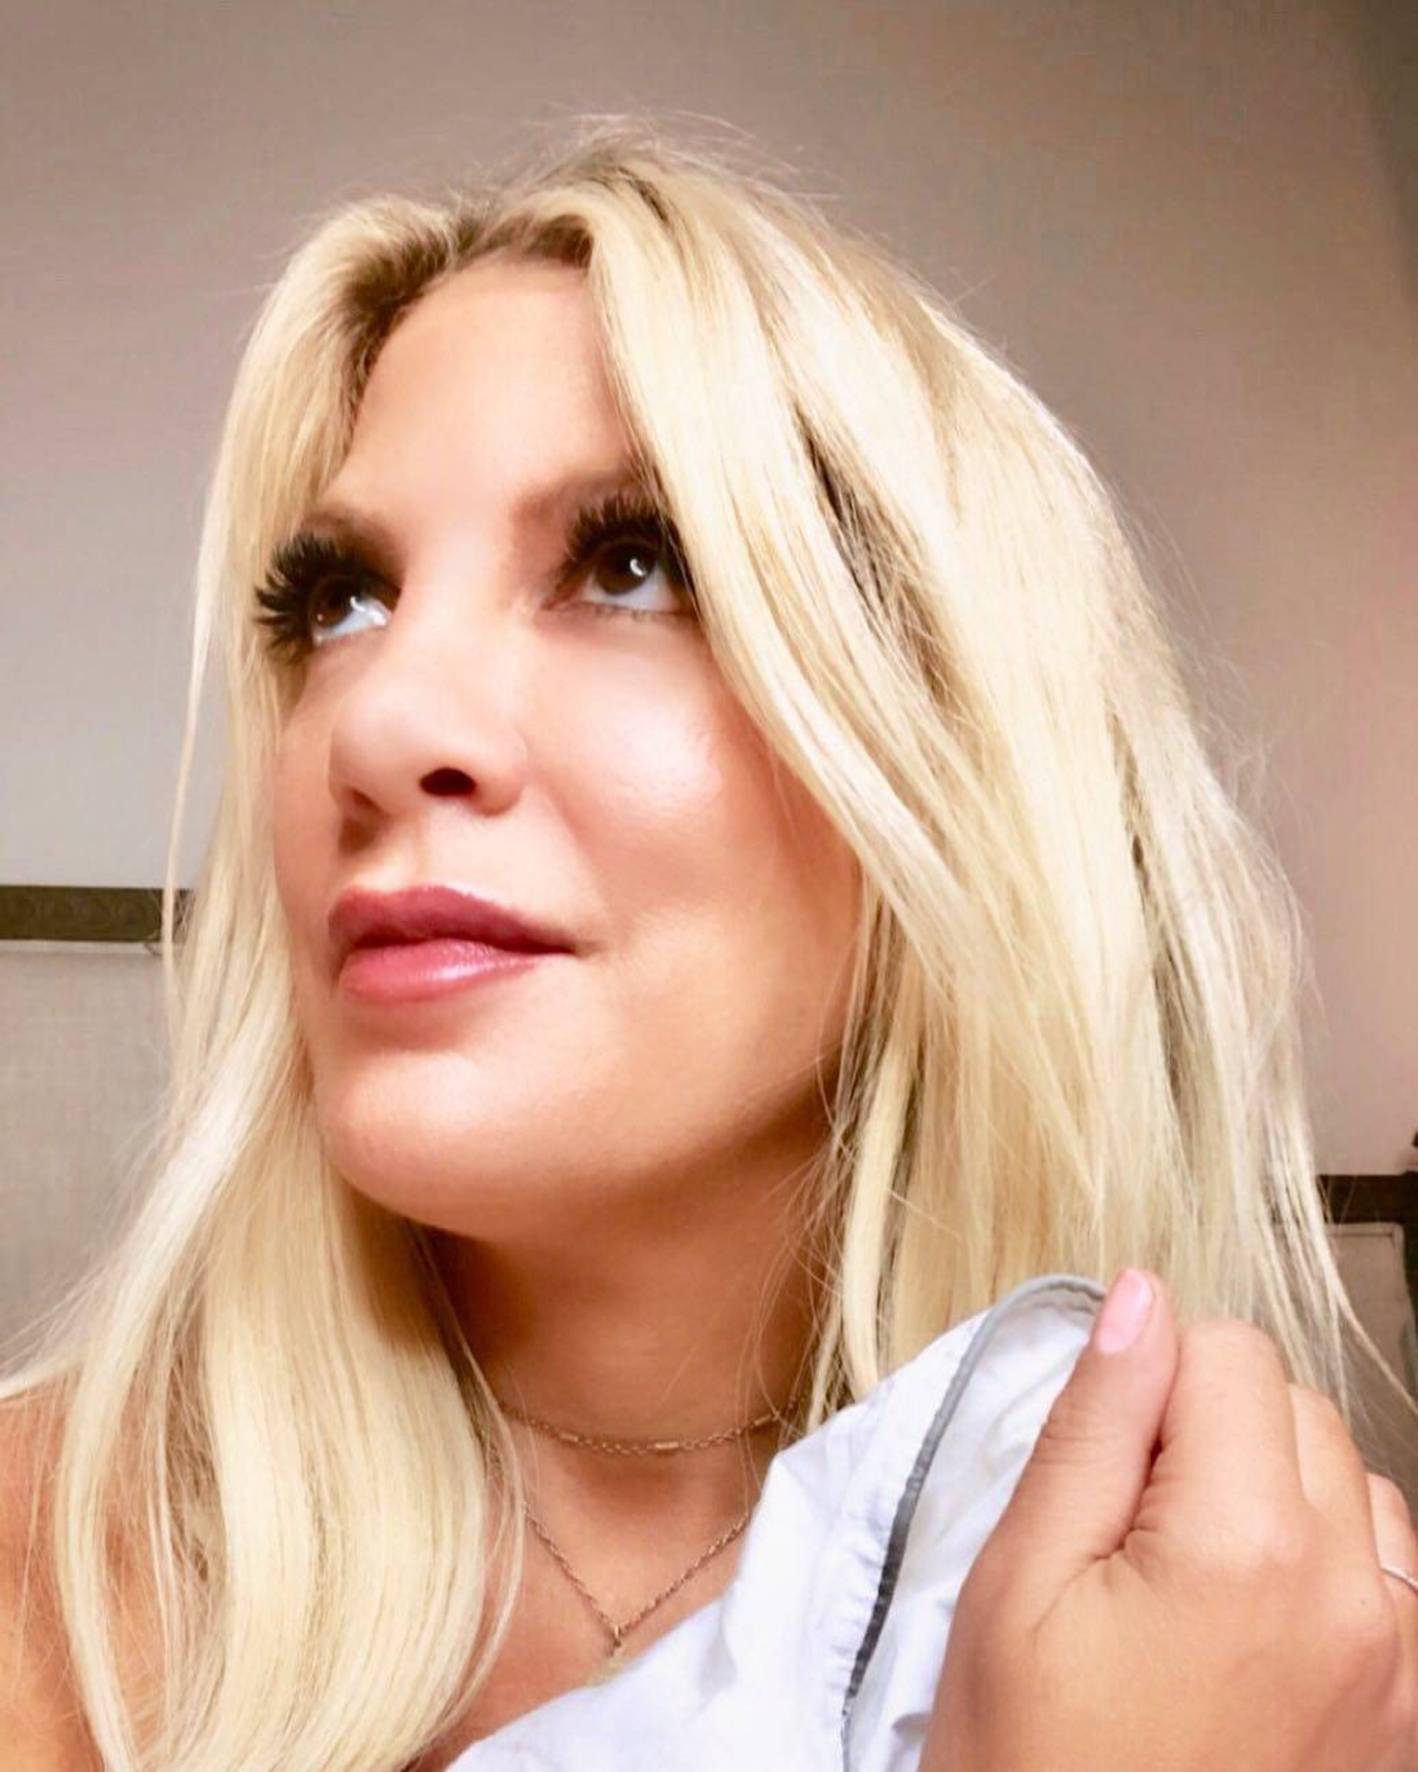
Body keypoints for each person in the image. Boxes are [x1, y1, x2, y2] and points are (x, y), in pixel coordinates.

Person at [1, 119, 1414, 1772]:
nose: (375, 725)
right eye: (342, 603)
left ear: (957, 756)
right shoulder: (40, 1583)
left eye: (631, 565)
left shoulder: (1297, 1652)